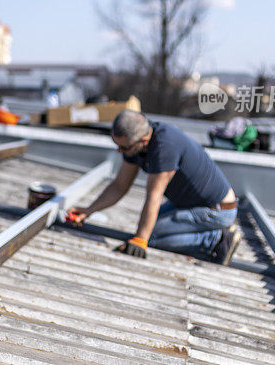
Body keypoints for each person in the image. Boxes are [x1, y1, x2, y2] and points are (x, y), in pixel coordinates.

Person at [68, 110, 242, 265]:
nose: (119, 151)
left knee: (152, 235)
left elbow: (154, 195)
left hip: (217, 210)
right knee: (148, 227)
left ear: (143, 140)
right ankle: (208, 236)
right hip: (190, 203)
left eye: (123, 147)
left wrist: (141, 240)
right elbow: (119, 186)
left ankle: (216, 239)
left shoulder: (164, 147)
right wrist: (89, 210)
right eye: (117, 145)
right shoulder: (135, 146)